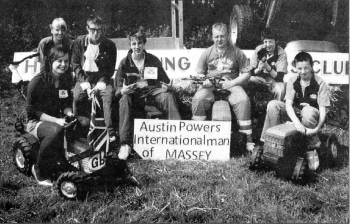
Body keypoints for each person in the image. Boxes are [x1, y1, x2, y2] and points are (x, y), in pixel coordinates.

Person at [9, 46, 90, 186]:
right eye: (59, 61)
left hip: (58, 118)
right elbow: (31, 111)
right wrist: (56, 120)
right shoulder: (38, 81)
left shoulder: (65, 80)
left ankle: (69, 158)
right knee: (55, 130)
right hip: (36, 122)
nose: (63, 64)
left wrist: (69, 113)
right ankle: (39, 170)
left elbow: (65, 104)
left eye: (66, 61)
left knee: (84, 122)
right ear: (50, 61)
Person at [114, 30, 181, 160]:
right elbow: (116, 89)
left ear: (144, 44)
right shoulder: (124, 63)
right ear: (130, 45)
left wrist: (168, 87)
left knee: (168, 96)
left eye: (139, 43)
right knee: (124, 98)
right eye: (134, 44)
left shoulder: (153, 60)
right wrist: (123, 91)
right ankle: (125, 144)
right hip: (133, 94)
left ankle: (177, 137)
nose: (137, 46)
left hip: (151, 92)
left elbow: (165, 81)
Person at [259, 52, 330, 171]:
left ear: (312, 67)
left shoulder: (320, 83)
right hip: (295, 114)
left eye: (306, 68)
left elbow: (322, 110)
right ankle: (271, 143)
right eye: (299, 68)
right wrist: (296, 122)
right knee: (273, 104)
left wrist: (317, 129)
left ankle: (310, 147)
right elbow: (288, 105)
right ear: (295, 68)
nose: (303, 71)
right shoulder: (292, 80)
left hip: (312, 116)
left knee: (308, 111)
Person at [191, 22, 253, 151]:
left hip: (230, 83)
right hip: (211, 84)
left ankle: (247, 139)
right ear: (212, 37)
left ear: (228, 36)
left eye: (222, 36)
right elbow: (200, 73)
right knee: (198, 99)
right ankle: (197, 137)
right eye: (216, 37)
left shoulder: (237, 52)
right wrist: (205, 81)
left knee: (243, 100)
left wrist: (233, 82)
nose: (219, 39)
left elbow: (247, 73)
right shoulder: (207, 52)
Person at [71, 15, 117, 141]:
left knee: (107, 97)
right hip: (84, 78)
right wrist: (85, 85)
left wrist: (98, 86)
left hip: (101, 78)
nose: (96, 33)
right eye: (93, 29)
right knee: (77, 96)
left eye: (99, 30)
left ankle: (110, 131)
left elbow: (110, 70)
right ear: (87, 28)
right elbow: (75, 65)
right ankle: (77, 128)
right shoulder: (78, 42)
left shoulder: (109, 45)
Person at [249, 28, 288, 101]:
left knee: (280, 89)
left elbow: (280, 77)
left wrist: (268, 68)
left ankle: (275, 108)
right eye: (265, 42)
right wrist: (258, 69)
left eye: (270, 42)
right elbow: (251, 72)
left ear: (276, 42)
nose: (267, 45)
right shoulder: (259, 49)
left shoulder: (281, 53)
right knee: (245, 80)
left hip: (273, 80)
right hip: (259, 78)